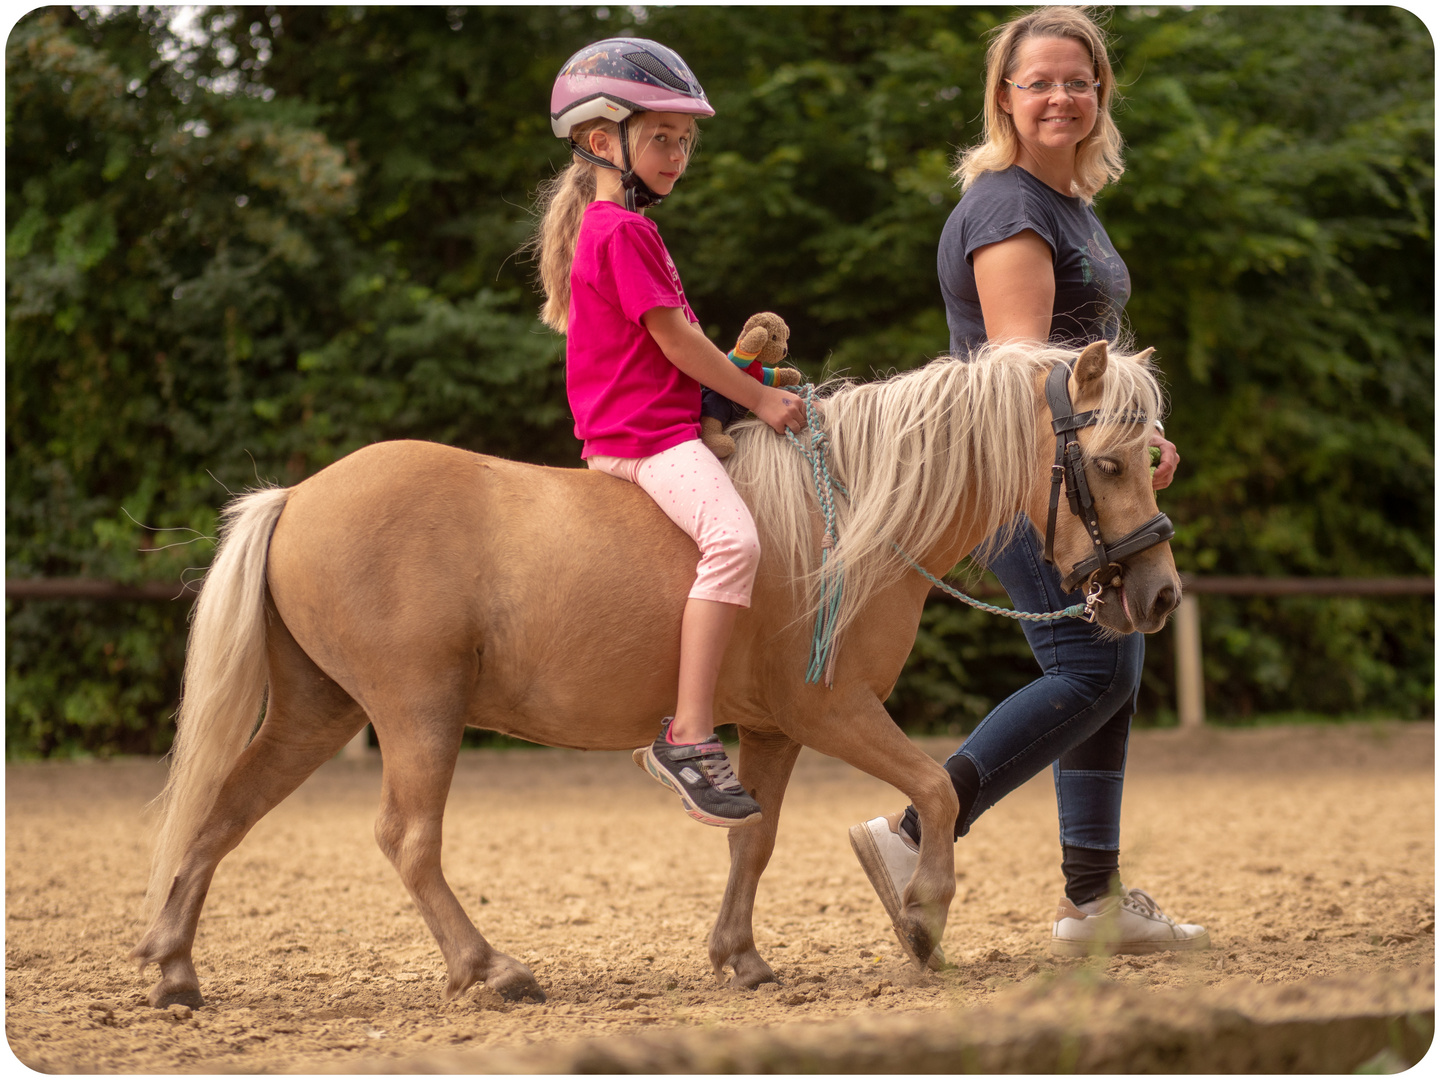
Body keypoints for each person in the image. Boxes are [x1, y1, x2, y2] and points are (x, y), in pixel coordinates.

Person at [848, 6, 1209, 961]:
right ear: (1004, 98)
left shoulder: (1066, 204)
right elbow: (1025, 374)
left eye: (1078, 80)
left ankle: (1093, 903)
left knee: (1114, 667)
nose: (1061, 96)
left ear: (1101, 96)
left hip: (1078, 470)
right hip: (1031, 485)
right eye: (1039, 81)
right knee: (1092, 668)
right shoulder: (1010, 206)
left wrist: (1143, 431)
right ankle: (918, 831)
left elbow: (1085, 377)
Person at [532, 38, 806, 828]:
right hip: (648, 436)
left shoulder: (617, 230)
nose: (677, 155)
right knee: (736, 543)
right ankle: (688, 735)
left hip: (653, 423)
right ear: (598, 140)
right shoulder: (623, 232)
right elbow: (678, 345)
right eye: (661, 138)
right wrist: (759, 406)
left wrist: (747, 385)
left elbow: (687, 355)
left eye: (685, 142)